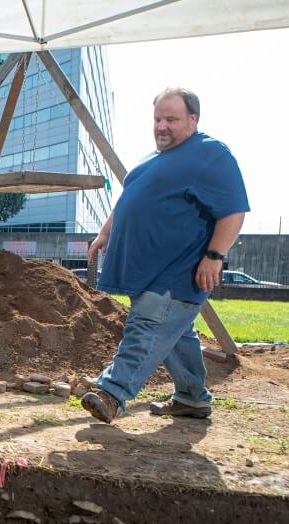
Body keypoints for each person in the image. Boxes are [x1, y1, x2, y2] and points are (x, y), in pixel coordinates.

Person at [81, 87, 249, 423]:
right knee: (175, 336)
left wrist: (215, 255)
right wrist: (105, 232)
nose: (162, 126)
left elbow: (233, 211)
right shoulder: (152, 161)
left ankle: (112, 393)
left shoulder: (211, 154)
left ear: (193, 119)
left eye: (171, 119)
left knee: (146, 327)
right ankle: (192, 398)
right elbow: (131, 198)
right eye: (158, 119)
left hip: (177, 272)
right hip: (150, 274)